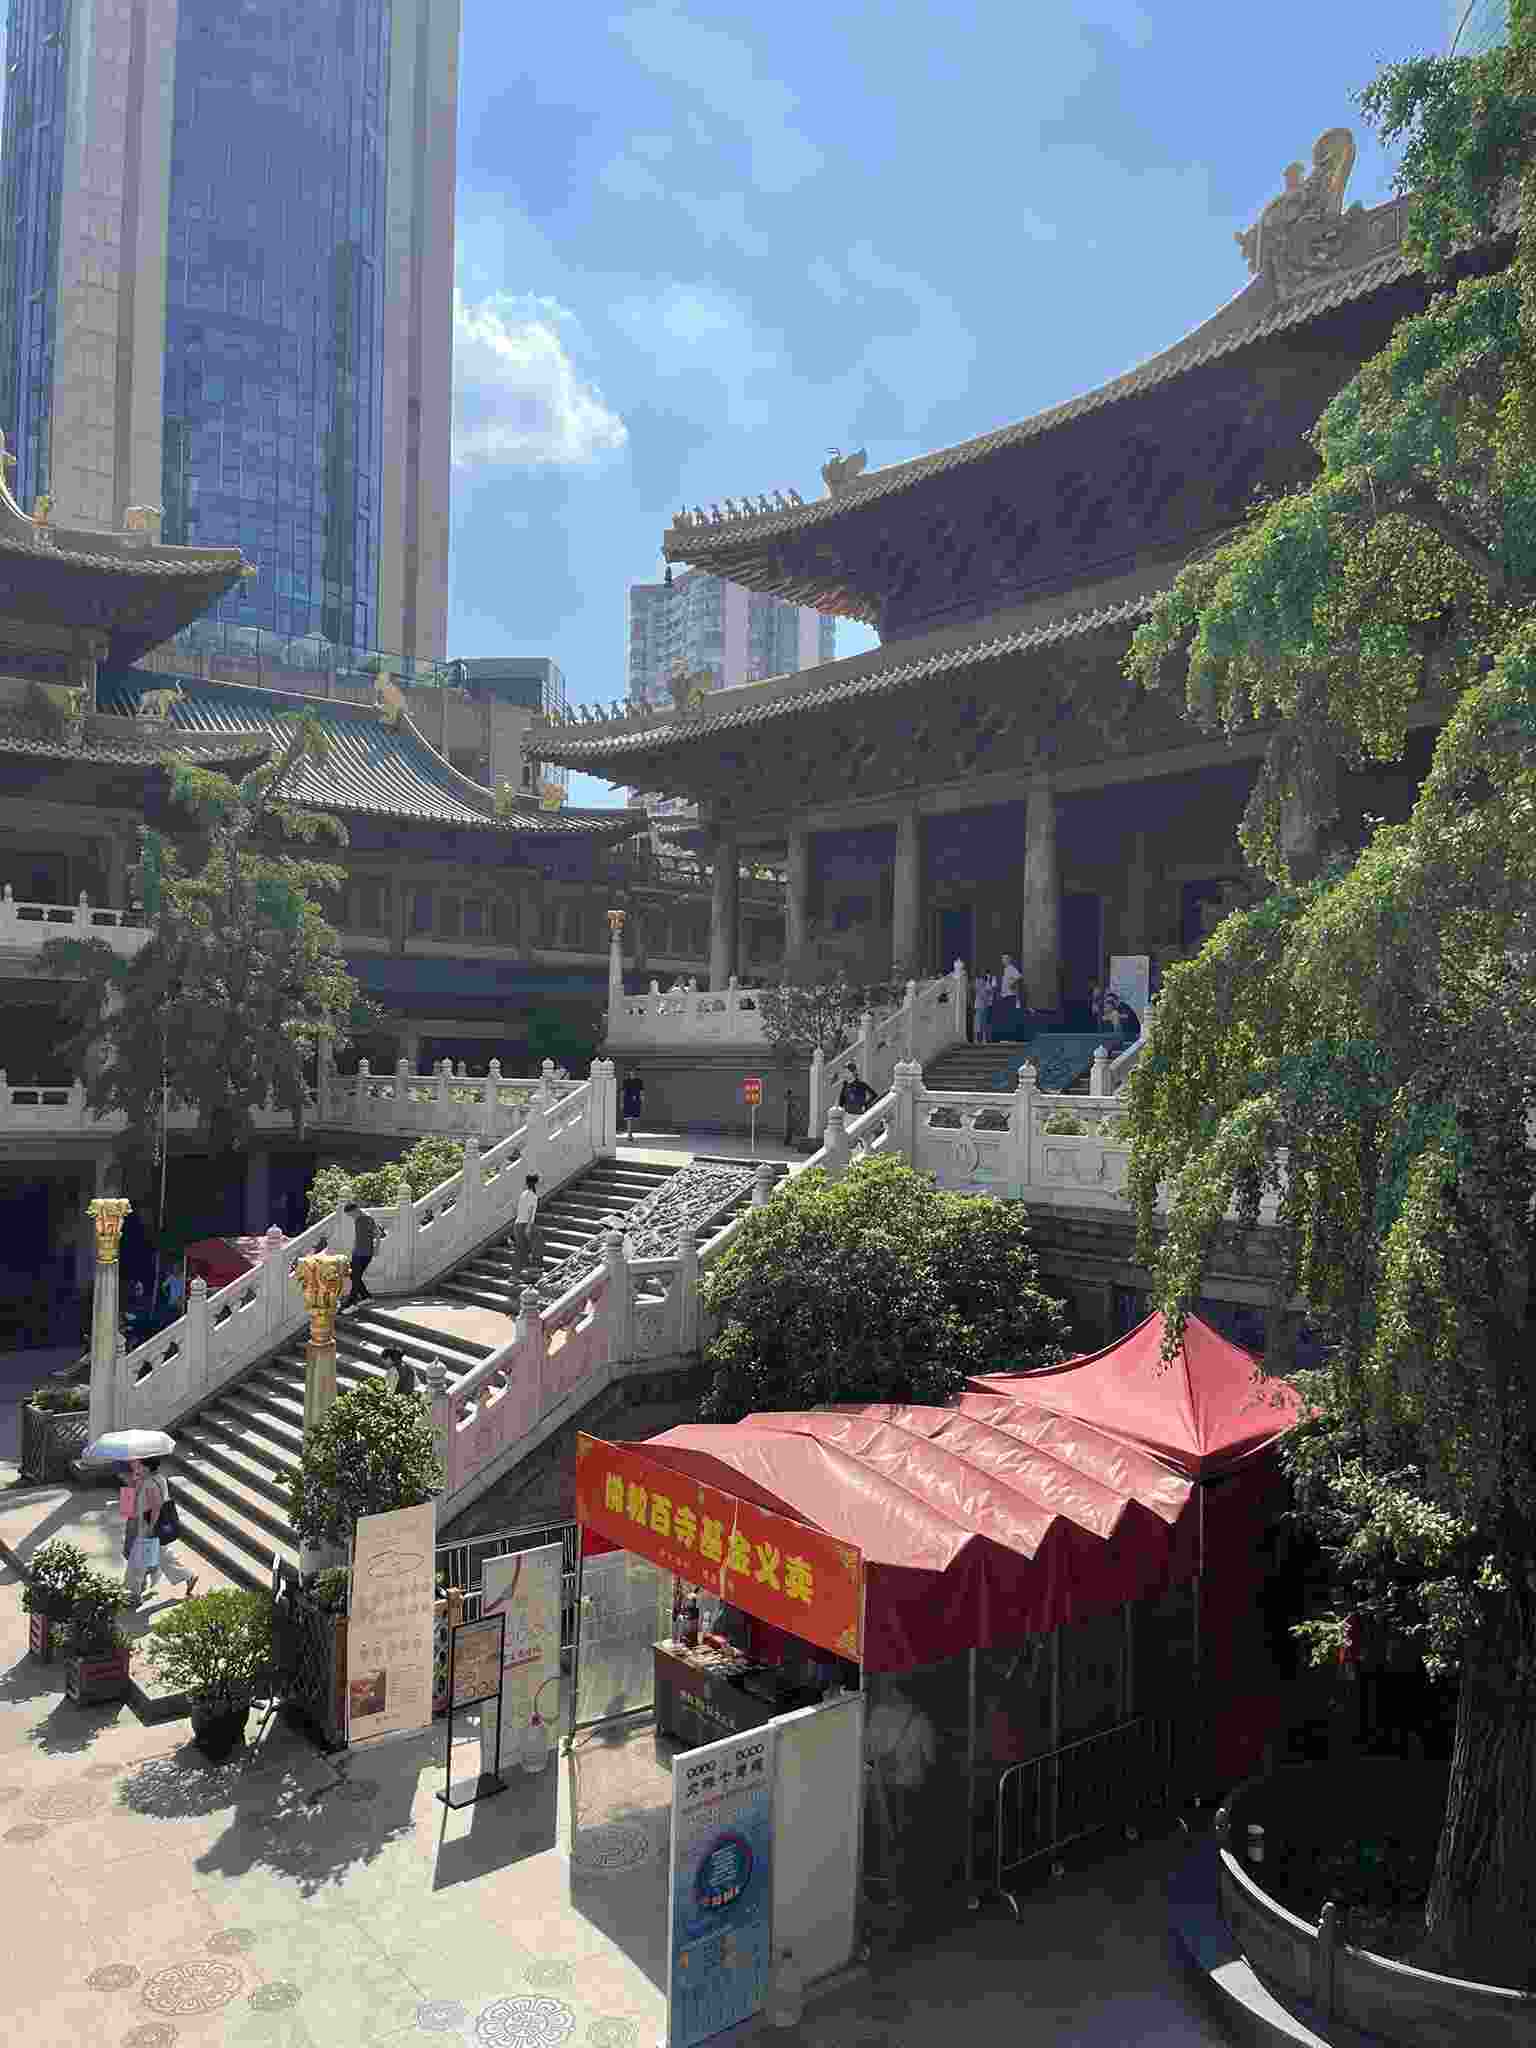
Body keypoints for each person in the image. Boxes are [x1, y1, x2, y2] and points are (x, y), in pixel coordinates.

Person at [122, 1457, 197, 1605]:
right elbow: (127, 1507)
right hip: (146, 1525)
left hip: (147, 1527)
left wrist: (150, 1528)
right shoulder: (155, 1478)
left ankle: (135, 1595)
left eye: (139, 1464)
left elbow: (154, 1507)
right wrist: (133, 1485)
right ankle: (188, 1576)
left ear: (146, 1467)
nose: (136, 1466)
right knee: (162, 1556)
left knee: (138, 1561)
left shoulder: (150, 1482)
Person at [342, 1200, 376, 1308]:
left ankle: (351, 1302)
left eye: (351, 1214)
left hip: (366, 1253)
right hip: (358, 1252)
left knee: (355, 1276)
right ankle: (366, 1297)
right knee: (354, 1275)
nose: (351, 1217)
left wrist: (377, 1248)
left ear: (356, 1210)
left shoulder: (367, 1219)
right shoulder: (358, 1219)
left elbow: (378, 1233)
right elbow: (359, 1238)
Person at [513, 1173, 541, 1282]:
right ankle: (533, 1269)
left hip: (518, 1224)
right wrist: (529, 1228)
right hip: (526, 1224)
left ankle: (517, 1274)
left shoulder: (523, 1194)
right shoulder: (533, 1196)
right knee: (538, 1244)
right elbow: (530, 1213)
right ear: (536, 1183)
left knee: (521, 1249)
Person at [974, 971, 996, 1044]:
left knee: (984, 1023)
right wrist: (986, 996)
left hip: (985, 1005)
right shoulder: (978, 981)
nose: (986, 975)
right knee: (978, 1022)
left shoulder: (987, 982)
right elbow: (980, 992)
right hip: (979, 1005)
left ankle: (984, 1039)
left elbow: (991, 992)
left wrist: (989, 982)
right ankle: (976, 1039)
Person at [621, 1071, 644, 1140]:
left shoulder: (639, 1081)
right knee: (629, 1117)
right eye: (631, 1073)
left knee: (634, 1117)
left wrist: (642, 1099)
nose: (632, 1074)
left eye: (633, 1073)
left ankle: (630, 1133)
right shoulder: (626, 1081)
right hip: (627, 1100)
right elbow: (623, 1092)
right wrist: (622, 1102)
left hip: (636, 1100)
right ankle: (629, 1134)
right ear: (629, 1074)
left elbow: (642, 1091)